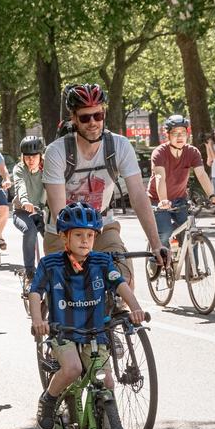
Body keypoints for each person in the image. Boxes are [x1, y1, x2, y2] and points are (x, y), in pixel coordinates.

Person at [29, 202, 146, 429]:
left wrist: (135, 308)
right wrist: (38, 320)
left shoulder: (101, 262)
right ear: (65, 238)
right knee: (72, 369)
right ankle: (49, 399)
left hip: (96, 332)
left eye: (90, 235)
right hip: (65, 331)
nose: (85, 240)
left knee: (107, 381)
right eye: (79, 235)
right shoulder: (50, 264)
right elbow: (35, 293)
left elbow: (121, 285)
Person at [42, 83, 169, 284]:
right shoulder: (57, 152)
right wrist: (77, 253)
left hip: (102, 227)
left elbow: (137, 195)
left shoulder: (119, 145)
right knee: (69, 292)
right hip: (62, 233)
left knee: (122, 280)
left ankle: (119, 312)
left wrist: (156, 244)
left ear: (104, 113)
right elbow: (59, 211)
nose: (93, 122)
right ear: (73, 118)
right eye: (85, 117)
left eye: (98, 115)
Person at [149, 115, 215, 248]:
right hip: (157, 200)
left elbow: (201, 174)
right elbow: (160, 177)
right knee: (165, 232)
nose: (179, 137)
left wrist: (212, 195)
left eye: (183, 133)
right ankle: (156, 262)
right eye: (175, 133)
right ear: (167, 135)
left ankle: (194, 269)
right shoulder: (159, 153)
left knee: (190, 234)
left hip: (179, 199)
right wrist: (163, 200)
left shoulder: (192, 152)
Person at [11, 136, 47, 282]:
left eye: (34, 156)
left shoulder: (47, 167)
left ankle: (56, 267)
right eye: (27, 157)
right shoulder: (19, 169)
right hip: (22, 211)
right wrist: (25, 201)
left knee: (55, 234)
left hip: (43, 211)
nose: (30, 160)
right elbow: (20, 185)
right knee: (30, 230)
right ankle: (30, 271)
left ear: (40, 156)